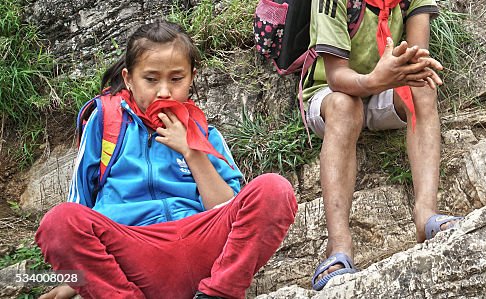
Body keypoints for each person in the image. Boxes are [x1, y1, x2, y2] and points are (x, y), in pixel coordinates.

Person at [35, 21, 297, 299]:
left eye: (176, 79)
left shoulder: (205, 132)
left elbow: (228, 210)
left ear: (192, 77)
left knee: (274, 189)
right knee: (59, 221)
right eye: (150, 79)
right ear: (128, 79)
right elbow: (79, 205)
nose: (163, 91)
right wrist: (75, 279)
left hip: (203, 248)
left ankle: (218, 293)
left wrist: (191, 150)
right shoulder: (105, 121)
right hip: (133, 253)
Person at [302, 0, 460, 291]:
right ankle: (339, 248)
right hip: (331, 94)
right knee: (345, 106)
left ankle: (427, 215)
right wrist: (377, 78)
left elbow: (415, 55)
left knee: (422, 88)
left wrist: (407, 70)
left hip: (383, 86)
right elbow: (337, 77)